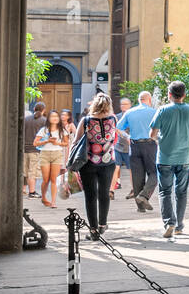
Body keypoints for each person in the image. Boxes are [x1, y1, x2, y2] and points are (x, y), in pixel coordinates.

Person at [150, 81, 189, 238]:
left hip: (165, 157)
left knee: (165, 191)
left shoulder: (162, 110)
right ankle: (179, 226)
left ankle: (169, 222)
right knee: (181, 192)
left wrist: (160, 139)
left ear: (169, 95)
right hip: (184, 157)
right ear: (184, 95)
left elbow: (151, 134)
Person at [71, 91, 118, 241]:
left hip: (88, 163)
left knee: (90, 196)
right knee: (104, 194)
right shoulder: (113, 119)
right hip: (108, 162)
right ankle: (103, 224)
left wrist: (70, 163)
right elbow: (114, 139)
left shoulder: (86, 121)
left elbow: (76, 142)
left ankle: (93, 230)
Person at [117, 90, 158, 212]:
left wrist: (127, 137)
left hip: (134, 145)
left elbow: (118, 128)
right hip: (150, 144)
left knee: (137, 176)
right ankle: (143, 195)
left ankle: (140, 207)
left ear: (139, 100)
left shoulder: (129, 112)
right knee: (154, 173)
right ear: (149, 100)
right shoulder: (154, 112)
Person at [33, 109, 68, 207]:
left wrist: (57, 143)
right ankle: (43, 197)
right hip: (45, 154)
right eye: (52, 116)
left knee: (53, 179)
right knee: (45, 179)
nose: (55, 118)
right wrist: (47, 141)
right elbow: (35, 143)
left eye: (56, 116)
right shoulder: (44, 130)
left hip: (57, 154)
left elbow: (66, 143)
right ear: (48, 118)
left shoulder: (62, 130)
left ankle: (53, 202)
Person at [23, 100, 46, 198]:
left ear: (34, 109)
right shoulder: (44, 121)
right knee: (32, 171)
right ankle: (32, 192)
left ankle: (23, 189)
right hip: (36, 150)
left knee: (25, 171)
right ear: (43, 110)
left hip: (24, 149)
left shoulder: (26, 119)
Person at [112, 96, 133, 198]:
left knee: (131, 169)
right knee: (115, 168)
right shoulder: (117, 116)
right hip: (118, 146)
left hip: (129, 147)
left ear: (130, 105)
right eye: (122, 104)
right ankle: (111, 191)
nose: (123, 106)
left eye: (125, 104)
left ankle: (133, 190)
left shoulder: (133, 115)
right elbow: (115, 129)